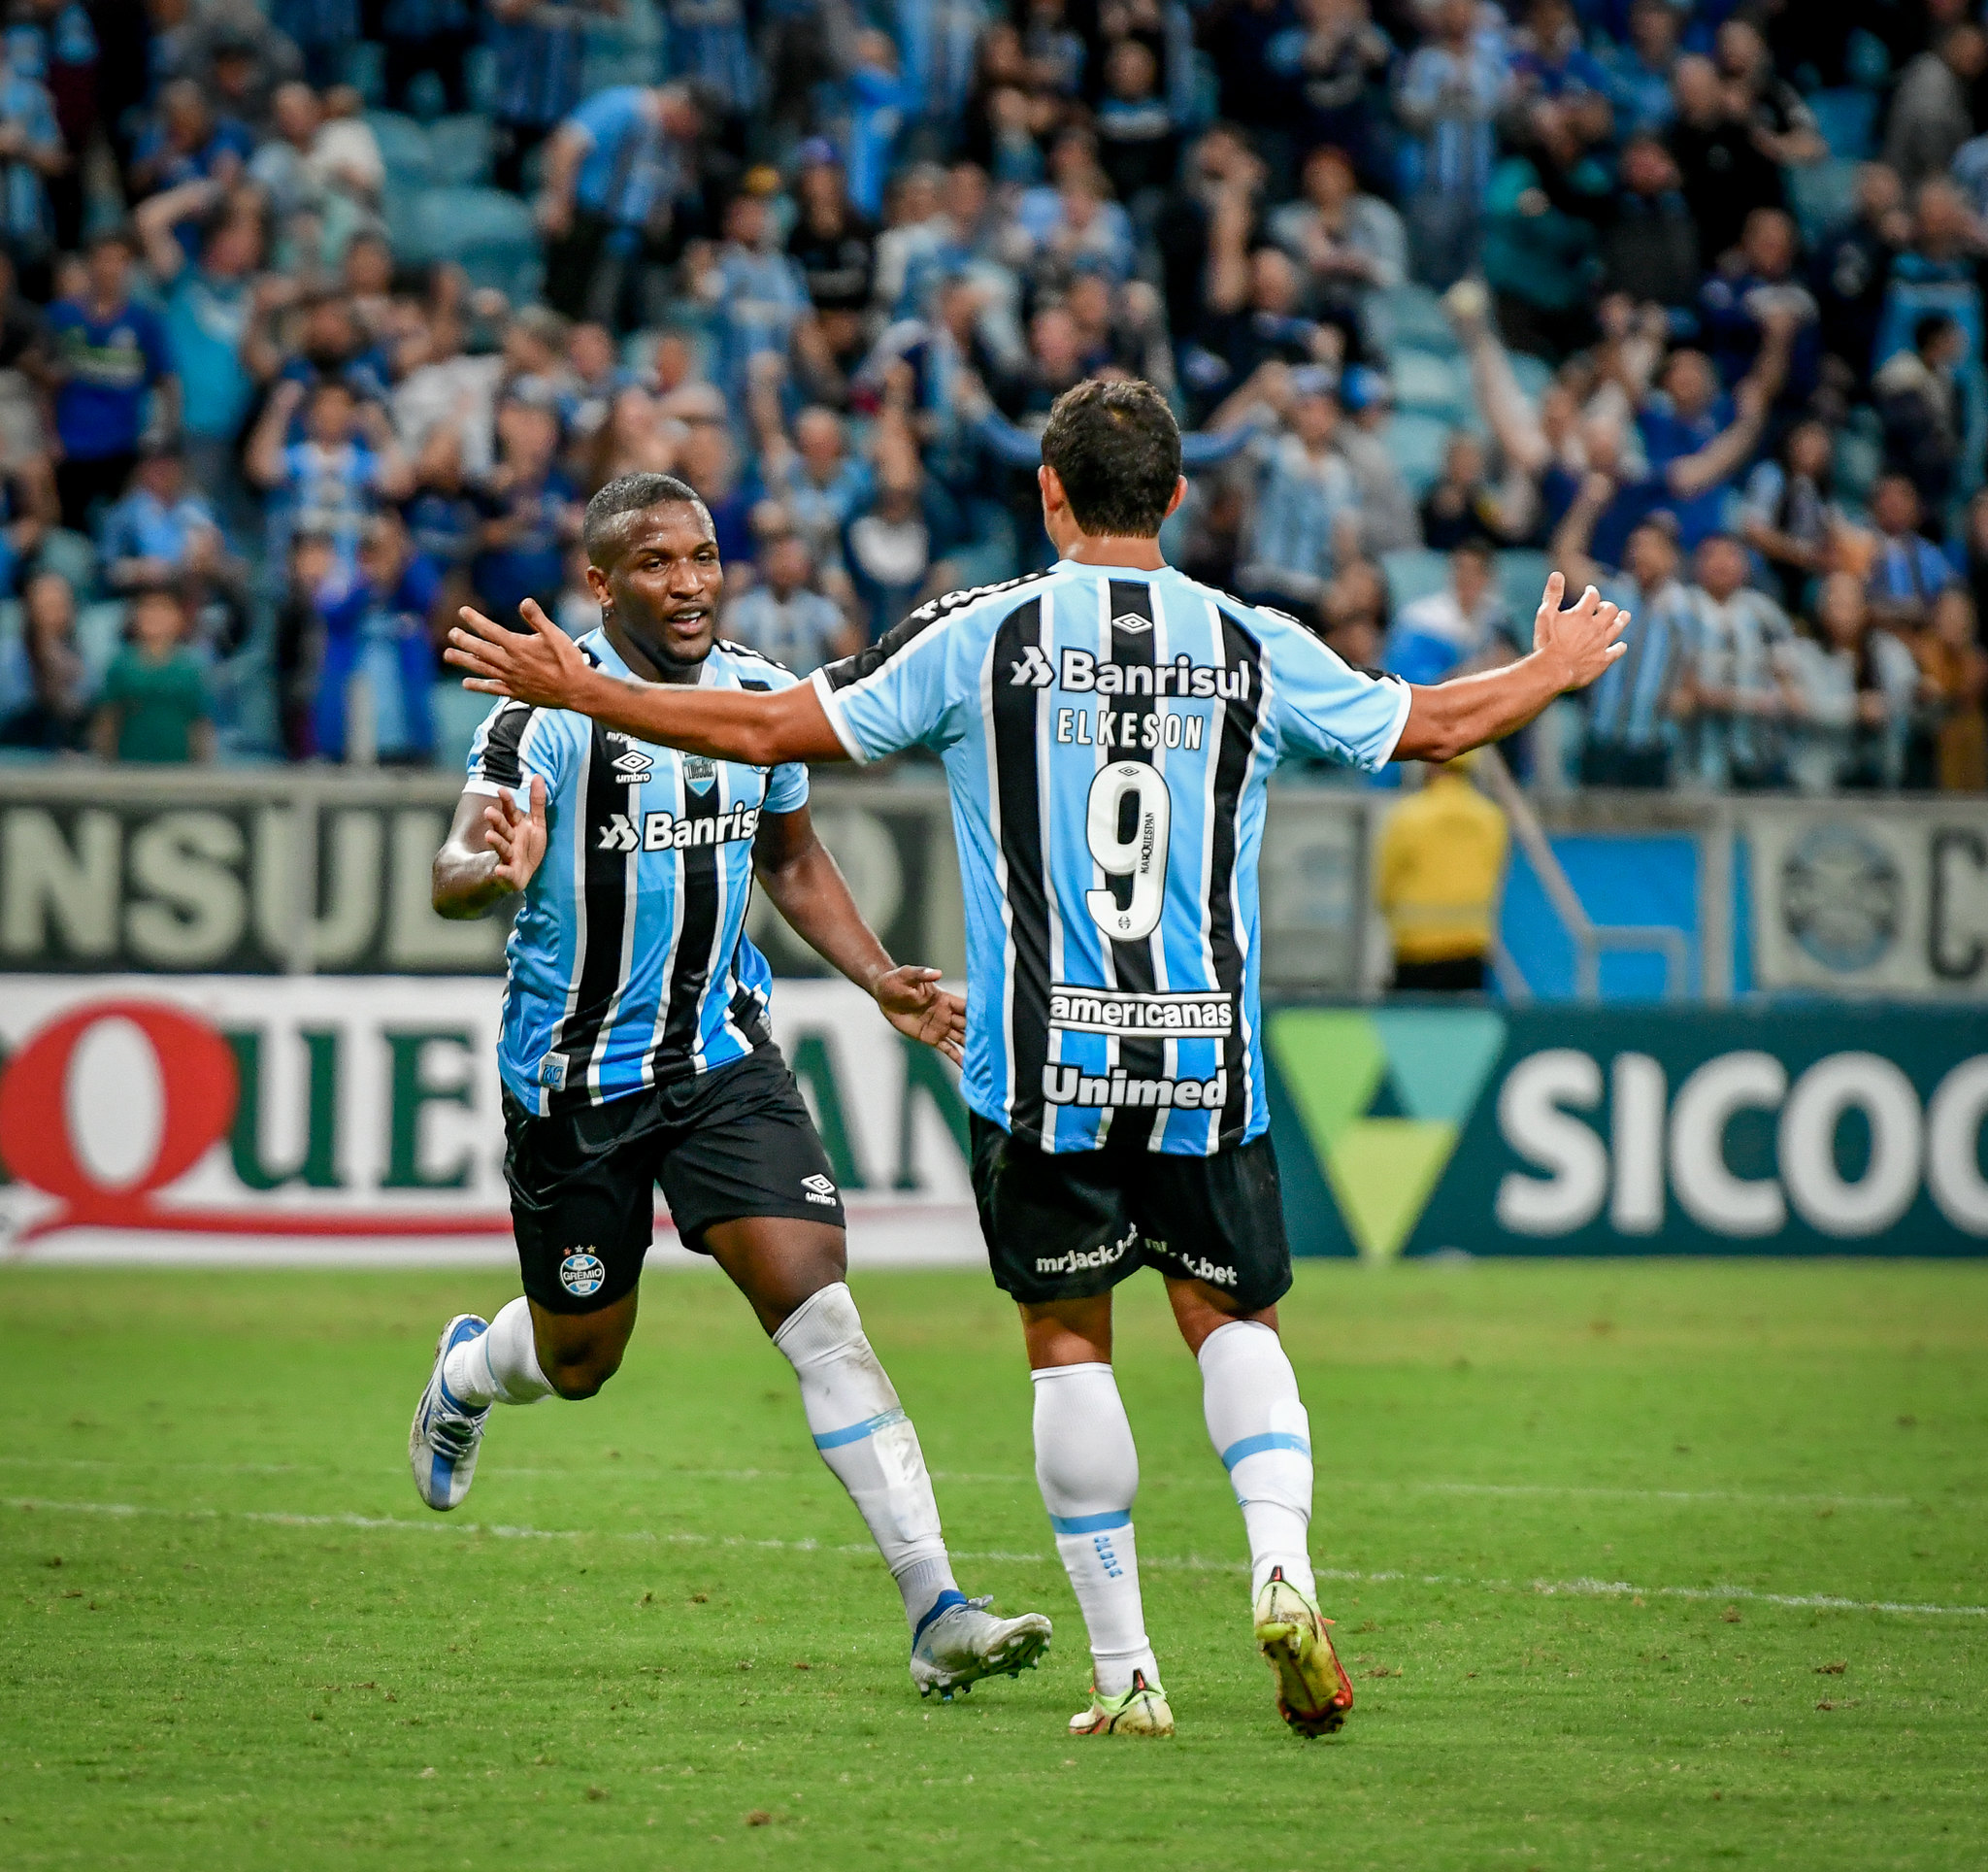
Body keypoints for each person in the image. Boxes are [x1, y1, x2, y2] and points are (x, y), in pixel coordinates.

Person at [444, 378, 1632, 1739]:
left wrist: (579, 686)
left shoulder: (979, 634)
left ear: (1050, 494)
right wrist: (1548, 667)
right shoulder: (1249, 641)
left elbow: (772, 737)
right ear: (1180, 496)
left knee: (1069, 1346)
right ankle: (1283, 1570)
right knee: (1232, 1325)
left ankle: (1124, 1674)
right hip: (1205, 1060)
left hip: (1039, 1061)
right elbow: (1432, 724)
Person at [413, 470, 1053, 1705]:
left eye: (704, 554)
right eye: (656, 562)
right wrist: (486, 872)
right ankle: (469, 1373)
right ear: (600, 583)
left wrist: (878, 979)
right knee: (581, 1356)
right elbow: (455, 857)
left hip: (721, 1060)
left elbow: (789, 852)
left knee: (820, 1307)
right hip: (576, 1082)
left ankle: (936, 1605)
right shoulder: (543, 715)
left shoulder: (762, 696)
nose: (692, 580)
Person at [1376, 756, 1509, 991]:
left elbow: (1385, 884)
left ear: (1429, 766)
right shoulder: (1492, 818)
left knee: (1416, 1025)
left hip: (1416, 948)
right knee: (1464, 1025)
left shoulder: (1408, 816)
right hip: (1470, 946)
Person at [91, 582, 213, 762]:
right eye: (147, 608)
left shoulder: (191, 669)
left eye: (164, 609)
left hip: (180, 771)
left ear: (179, 617)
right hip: (129, 769)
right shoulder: (120, 666)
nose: (155, 616)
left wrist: (204, 769)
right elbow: (108, 721)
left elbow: (199, 725)